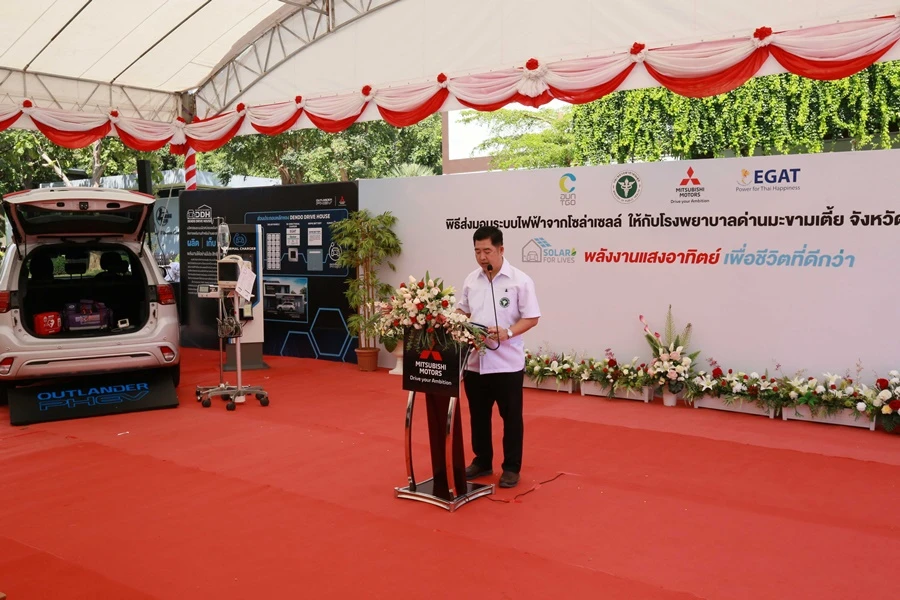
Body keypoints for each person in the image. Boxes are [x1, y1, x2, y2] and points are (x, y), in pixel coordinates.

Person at [456, 226, 540, 488]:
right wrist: (452, 321)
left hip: (507, 363)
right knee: (478, 416)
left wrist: (508, 332)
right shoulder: (471, 280)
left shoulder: (520, 280)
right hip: (475, 363)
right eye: (477, 252)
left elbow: (532, 317)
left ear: (501, 249)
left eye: (487, 251)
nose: (482, 257)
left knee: (511, 418)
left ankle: (511, 468)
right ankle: (482, 461)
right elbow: (462, 311)